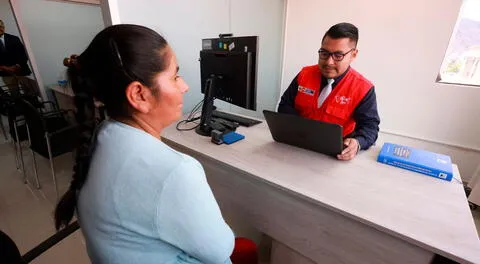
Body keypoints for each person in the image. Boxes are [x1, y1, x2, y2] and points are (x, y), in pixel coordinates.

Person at [54, 24, 251, 264]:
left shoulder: (99, 138)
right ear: (139, 95)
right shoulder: (175, 171)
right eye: (175, 76)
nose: (185, 86)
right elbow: (221, 249)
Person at [278, 22, 380, 161]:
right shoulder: (305, 74)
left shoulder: (363, 88)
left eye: (338, 55)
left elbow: (370, 128)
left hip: (334, 156)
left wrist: (357, 143)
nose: (329, 62)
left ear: (353, 55)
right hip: (297, 146)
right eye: (324, 53)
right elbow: (285, 105)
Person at [0, 19, 31, 85]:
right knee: (14, 93)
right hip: (5, 73)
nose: (1, 29)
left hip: (22, 70)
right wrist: (4, 67)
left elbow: (24, 54)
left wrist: (18, 65)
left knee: (30, 92)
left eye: (2, 26)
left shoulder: (14, 38)